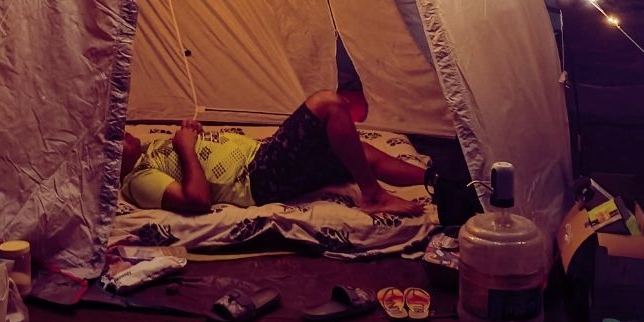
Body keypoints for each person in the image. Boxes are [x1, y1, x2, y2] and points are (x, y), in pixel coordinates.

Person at [119, 90, 426, 216]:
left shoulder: (147, 149)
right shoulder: (137, 180)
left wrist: (193, 134)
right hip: (259, 179)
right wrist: (186, 148)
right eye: (114, 141)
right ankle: (373, 196)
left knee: (357, 152)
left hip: (262, 157)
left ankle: (438, 179)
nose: (123, 133)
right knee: (327, 103)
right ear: (108, 163)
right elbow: (197, 201)